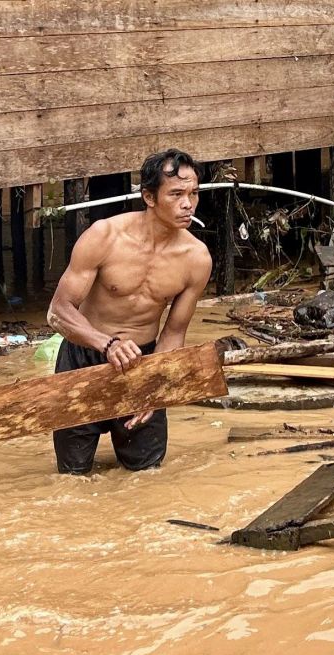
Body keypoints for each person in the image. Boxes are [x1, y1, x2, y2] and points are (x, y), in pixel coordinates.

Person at [46, 148, 212, 475]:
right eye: (176, 194)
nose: (188, 204)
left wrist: (155, 384)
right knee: (72, 477)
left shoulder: (196, 258)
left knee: (147, 475)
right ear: (149, 197)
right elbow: (58, 311)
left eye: (194, 194)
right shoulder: (104, 237)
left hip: (144, 362)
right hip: (84, 357)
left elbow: (174, 331)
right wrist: (106, 344)